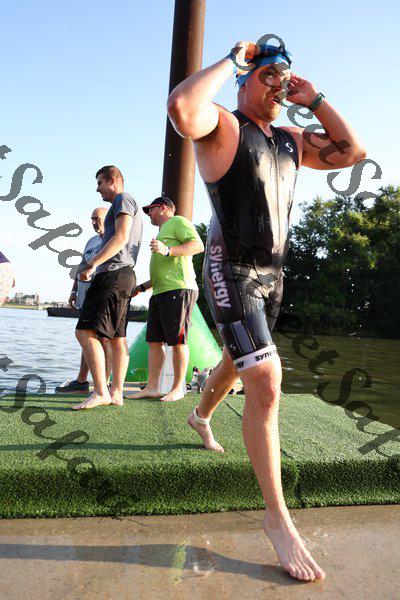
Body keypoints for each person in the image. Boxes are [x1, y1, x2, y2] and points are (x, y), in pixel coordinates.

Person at [167, 39, 366, 581]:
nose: (278, 82)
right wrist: (233, 60)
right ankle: (277, 518)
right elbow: (182, 108)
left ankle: (200, 414)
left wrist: (315, 99)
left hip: (274, 274)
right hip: (229, 265)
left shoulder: (292, 140)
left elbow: (352, 152)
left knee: (241, 364)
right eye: (268, 74)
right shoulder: (223, 125)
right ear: (245, 80)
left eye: (285, 74)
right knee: (267, 378)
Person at [73, 165, 142, 410]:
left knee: (84, 332)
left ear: (112, 180)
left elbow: (121, 237)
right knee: (117, 337)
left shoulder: (123, 199)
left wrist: (92, 264)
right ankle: (116, 392)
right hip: (125, 275)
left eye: (100, 183)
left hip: (112, 273)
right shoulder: (124, 203)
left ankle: (101, 390)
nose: (97, 189)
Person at [130, 196, 204, 402]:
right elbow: (162, 269)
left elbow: (198, 245)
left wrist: (168, 250)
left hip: (179, 290)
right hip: (159, 293)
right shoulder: (162, 232)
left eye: (150, 210)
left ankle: (178, 388)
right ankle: (152, 387)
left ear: (162, 208)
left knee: (178, 342)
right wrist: (141, 288)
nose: (148, 214)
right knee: (154, 342)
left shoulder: (178, 221)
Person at [55, 207, 111, 394]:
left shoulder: (113, 239)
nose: (94, 222)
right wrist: (74, 290)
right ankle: (81, 381)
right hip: (84, 297)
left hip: (102, 296)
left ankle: (105, 383)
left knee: (103, 339)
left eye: (97, 219)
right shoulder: (91, 241)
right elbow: (81, 267)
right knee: (87, 338)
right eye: (92, 219)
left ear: (108, 218)